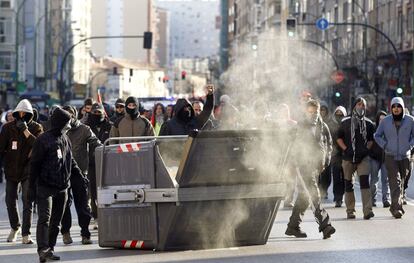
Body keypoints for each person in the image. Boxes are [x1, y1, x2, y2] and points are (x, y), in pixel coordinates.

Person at [29, 107, 83, 262]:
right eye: (66, 122)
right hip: (45, 187)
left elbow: (70, 160)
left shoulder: (66, 139)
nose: (69, 125)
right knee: (44, 219)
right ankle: (42, 249)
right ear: (60, 122)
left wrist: (78, 175)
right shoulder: (43, 140)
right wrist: (31, 188)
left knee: (56, 221)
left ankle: (50, 248)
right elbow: (35, 164)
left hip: (62, 188)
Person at [286, 99, 335, 239]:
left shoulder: (323, 126)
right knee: (314, 195)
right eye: (310, 111)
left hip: (316, 167)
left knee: (304, 197)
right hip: (303, 166)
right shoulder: (299, 127)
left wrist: (325, 160)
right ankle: (326, 225)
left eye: (315, 111)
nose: (313, 114)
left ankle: (293, 226)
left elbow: (329, 144)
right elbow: (292, 146)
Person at [0, 99, 43, 244]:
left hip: (28, 170)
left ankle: (26, 233)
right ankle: (15, 227)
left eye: (26, 113)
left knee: (27, 200)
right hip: (11, 169)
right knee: (10, 200)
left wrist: (25, 130)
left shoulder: (36, 127)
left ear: (30, 114)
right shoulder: (7, 128)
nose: (22, 115)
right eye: (20, 112)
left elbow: (38, 146)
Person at [60, 105, 101, 245]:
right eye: (66, 114)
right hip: (63, 173)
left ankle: (85, 233)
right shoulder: (60, 130)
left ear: (75, 114)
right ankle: (65, 232)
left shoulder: (84, 129)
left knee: (83, 205)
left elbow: (96, 142)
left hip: (80, 172)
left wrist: (102, 148)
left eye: (71, 113)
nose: (69, 116)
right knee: (64, 204)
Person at [374, 97, 414, 219]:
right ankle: (397, 208)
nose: (396, 109)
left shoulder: (410, 120)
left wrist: (410, 145)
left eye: (398, 106)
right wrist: (385, 145)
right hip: (390, 156)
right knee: (394, 181)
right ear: (391, 108)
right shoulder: (385, 121)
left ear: (402, 107)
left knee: (402, 182)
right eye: (394, 107)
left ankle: (395, 206)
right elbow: (377, 135)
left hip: (405, 156)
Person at [337, 97, 375, 220]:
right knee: (348, 184)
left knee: (364, 183)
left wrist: (366, 150)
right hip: (348, 158)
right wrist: (346, 149)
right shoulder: (345, 121)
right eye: (359, 104)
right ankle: (350, 211)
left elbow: (370, 140)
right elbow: (339, 138)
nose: (361, 107)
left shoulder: (369, 123)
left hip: (363, 158)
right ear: (354, 106)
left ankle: (367, 211)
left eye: (363, 105)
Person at [86, 103, 112, 225]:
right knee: (93, 191)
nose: (97, 115)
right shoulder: (86, 127)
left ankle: (106, 214)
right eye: (94, 113)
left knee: (106, 189)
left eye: (99, 113)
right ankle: (96, 216)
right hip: (91, 163)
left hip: (107, 163)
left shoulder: (110, 126)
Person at [326, 106, 347, 207]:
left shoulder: (347, 124)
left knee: (345, 177)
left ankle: (342, 195)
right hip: (335, 155)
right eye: (337, 113)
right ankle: (337, 197)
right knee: (336, 177)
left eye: (341, 114)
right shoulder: (330, 125)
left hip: (345, 154)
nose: (339, 115)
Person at [369, 111, 390, 208]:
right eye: (380, 119)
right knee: (374, 180)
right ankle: (372, 200)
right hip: (374, 158)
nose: (382, 121)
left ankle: (386, 200)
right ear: (377, 120)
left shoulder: (389, 129)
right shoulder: (373, 129)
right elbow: (369, 143)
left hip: (386, 158)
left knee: (385, 180)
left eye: (384, 119)